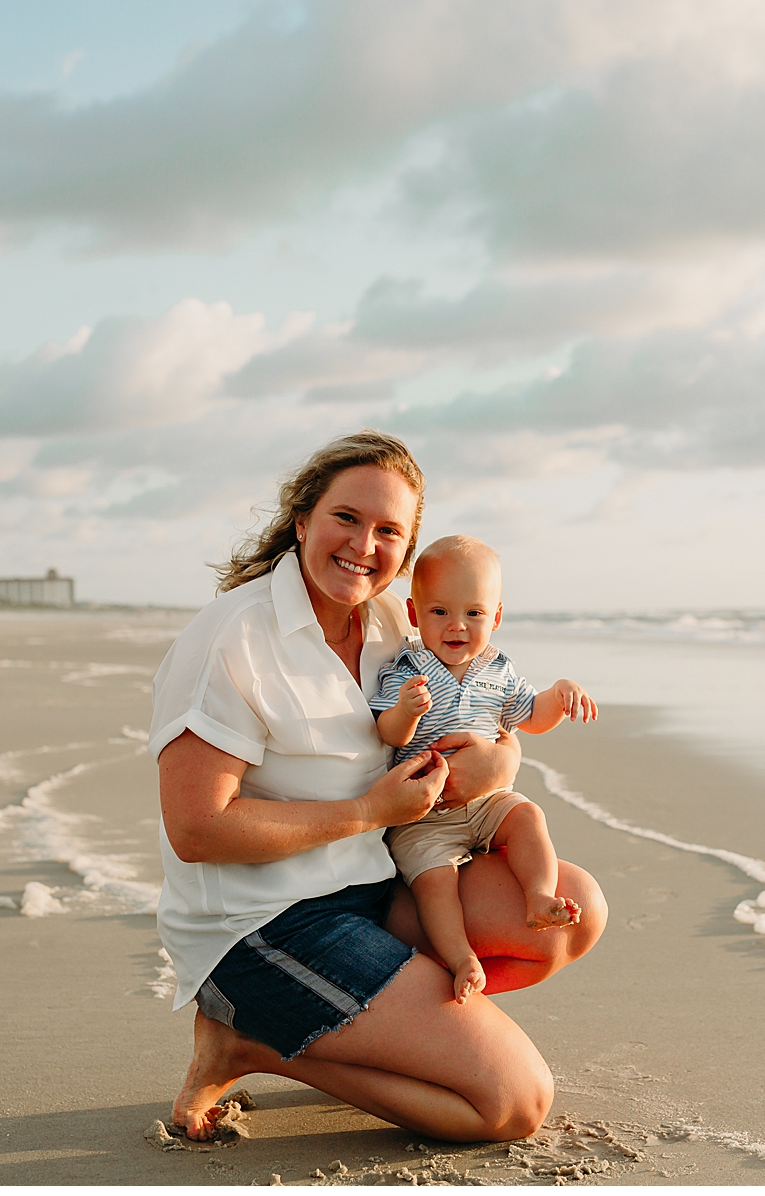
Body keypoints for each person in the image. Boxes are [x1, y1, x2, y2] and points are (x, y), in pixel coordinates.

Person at [150, 431, 606, 1143]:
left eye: (389, 530)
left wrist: (500, 760)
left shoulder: (398, 621)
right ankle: (253, 1041)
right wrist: (369, 809)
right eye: (346, 517)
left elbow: (482, 710)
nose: (364, 543)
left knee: (571, 911)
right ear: (301, 519)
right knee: (513, 1103)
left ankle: (363, 1022)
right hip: (265, 922)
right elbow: (196, 829)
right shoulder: (232, 638)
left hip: (373, 883)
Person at [370, 535, 598, 1005]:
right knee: (436, 882)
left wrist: (559, 694)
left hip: (487, 803)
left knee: (529, 816)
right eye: (440, 613)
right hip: (425, 817)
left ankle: (538, 897)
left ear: (495, 617)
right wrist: (406, 712)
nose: (457, 626)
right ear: (415, 615)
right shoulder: (406, 668)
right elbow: (388, 732)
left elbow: (529, 717)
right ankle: (460, 959)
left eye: (473, 613)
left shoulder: (499, 669)